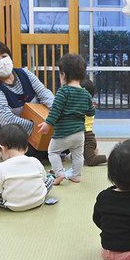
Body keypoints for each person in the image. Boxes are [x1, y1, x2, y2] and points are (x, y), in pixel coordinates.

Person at [0, 41, 54, 158]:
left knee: (66, 140)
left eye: (4, 56)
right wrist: (39, 126)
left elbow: (44, 93)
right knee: (31, 152)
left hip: (41, 125)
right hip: (12, 135)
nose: (2, 61)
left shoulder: (25, 73)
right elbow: (8, 120)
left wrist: (56, 115)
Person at [38, 54, 95, 185]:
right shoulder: (86, 94)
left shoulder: (63, 92)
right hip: (79, 134)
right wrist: (92, 107)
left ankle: (59, 174)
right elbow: (90, 112)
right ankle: (76, 175)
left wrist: (47, 124)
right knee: (77, 155)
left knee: (52, 152)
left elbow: (55, 110)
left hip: (63, 133)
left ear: (63, 74)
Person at [0, 124, 55, 211]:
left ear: (2, 148)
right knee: (49, 181)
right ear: (26, 148)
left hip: (14, 205)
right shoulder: (35, 161)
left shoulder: (1, 167)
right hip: (38, 200)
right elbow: (44, 179)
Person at [79, 78, 107, 166]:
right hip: (77, 136)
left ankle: (109, 158)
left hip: (87, 137)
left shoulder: (87, 106)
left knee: (90, 161)